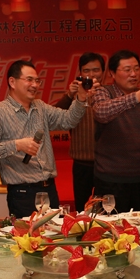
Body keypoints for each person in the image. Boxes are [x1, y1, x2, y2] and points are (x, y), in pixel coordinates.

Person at [0, 60, 87, 218]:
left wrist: (81, 98)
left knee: (54, 232)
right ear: (12, 82)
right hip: (22, 193)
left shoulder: (40, 107)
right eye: (29, 80)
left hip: (49, 188)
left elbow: (68, 121)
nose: (34, 85)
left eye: (37, 81)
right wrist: (17, 145)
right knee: (28, 234)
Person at [91, 49, 140, 212]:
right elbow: (101, 112)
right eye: (127, 69)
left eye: (137, 69)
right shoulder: (104, 91)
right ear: (112, 73)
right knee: (110, 226)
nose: (133, 74)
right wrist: (136, 97)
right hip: (110, 179)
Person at [54, 52, 105, 212]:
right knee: (83, 211)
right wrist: (69, 95)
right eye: (86, 71)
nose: (92, 74)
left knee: (106, 209)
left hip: (108, 164)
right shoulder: (75, 95)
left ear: (103, 72)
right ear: (80, 73)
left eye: (96, 70)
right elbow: (54, 116)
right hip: (81, 164)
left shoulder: (109, 93)